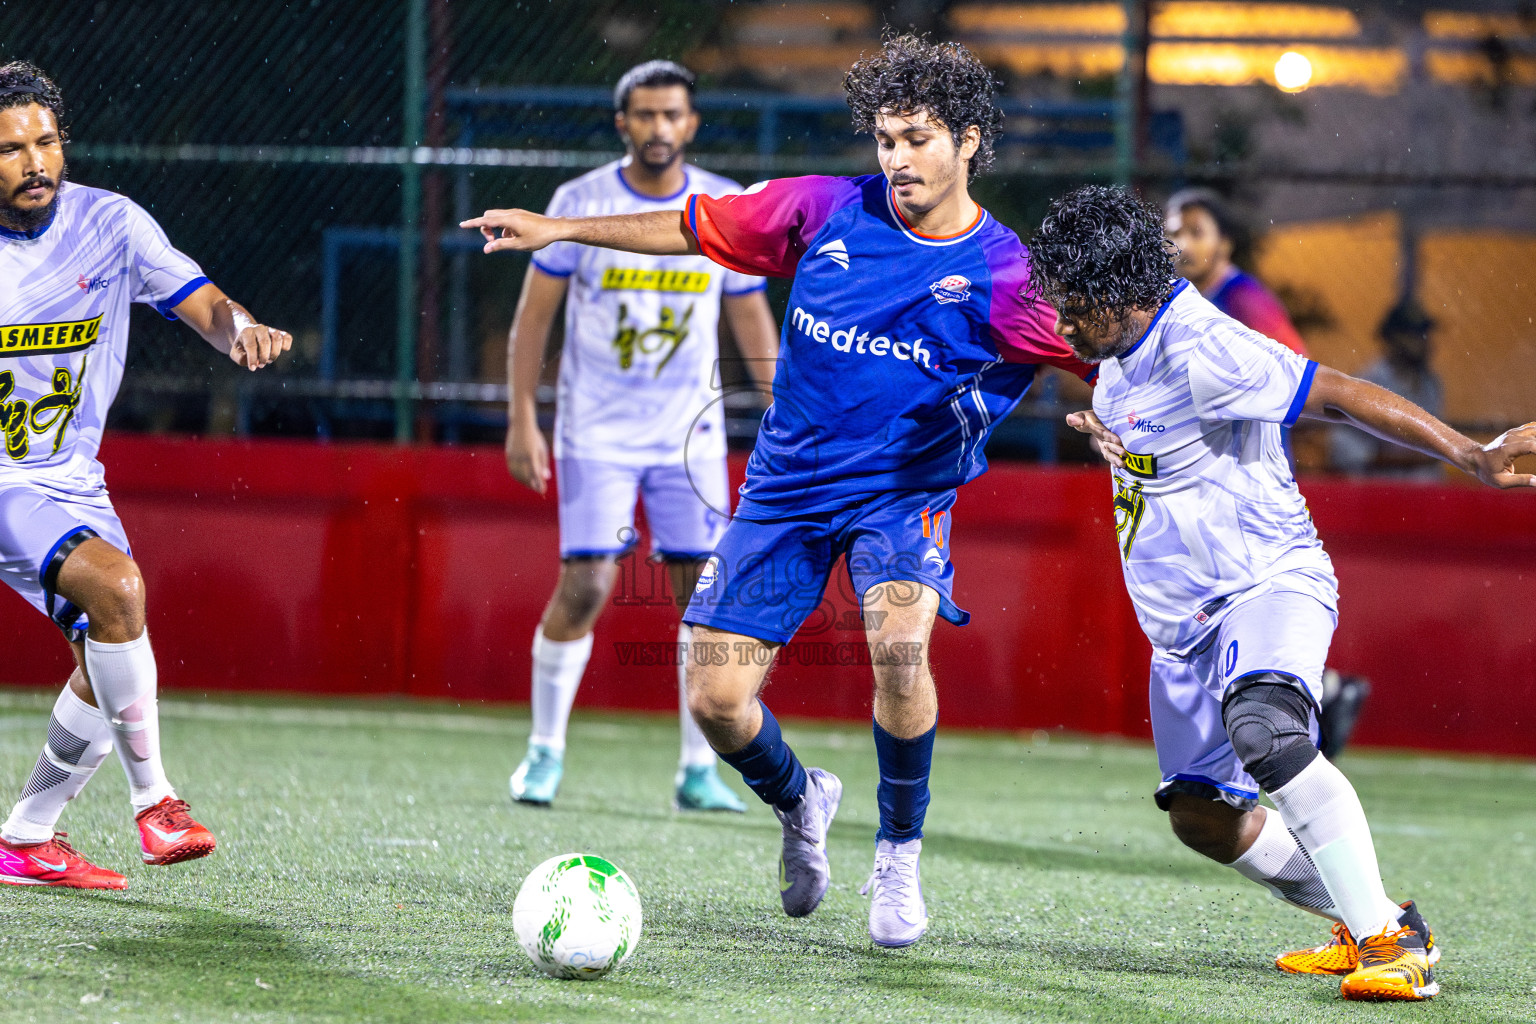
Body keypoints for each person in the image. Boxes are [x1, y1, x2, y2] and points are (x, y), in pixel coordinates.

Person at [465, 35, 1095, 947]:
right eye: (885, 138)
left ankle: (897, 854)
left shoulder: (1008, 275)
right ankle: (802, 799)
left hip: (902, 496)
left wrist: (1123, 418)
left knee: (899, 649)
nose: (897, 158)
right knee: (716, 703)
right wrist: (562, 228)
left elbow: (1102, 355)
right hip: (785, 492)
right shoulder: (822, 211)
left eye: (917, 138)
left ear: (968, 141)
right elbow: (690, 224)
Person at [1033, 184, 1536, 1001]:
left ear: (1124, 294)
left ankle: (1392, 944)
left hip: (1263, 581)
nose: (1062, 325)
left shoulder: (1202, 345)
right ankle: (1360, 918)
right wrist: (1114, 446)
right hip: (1186, 625)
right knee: (1203, 816)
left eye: (1075, 307)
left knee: (1265, 730)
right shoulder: (1117, 364)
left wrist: (1466, 453)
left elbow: (1333, 391)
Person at [0, 63, 292, 889]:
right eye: (12, 149)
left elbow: (201, 301)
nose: (35, 163)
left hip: (71, 479)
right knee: (121, 592)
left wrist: (241, 331)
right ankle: (156, 803)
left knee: (106, 663)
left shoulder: (111, 224)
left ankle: (27, 836)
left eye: (46, 142)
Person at [500, 61, 779, 813]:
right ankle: (544, 753)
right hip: (595, 433)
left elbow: (750, 319)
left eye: (672, 116)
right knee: (588, 583)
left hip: (688, 440)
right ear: (623, 123)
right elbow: (534, 320)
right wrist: (523, 416)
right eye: (645, 116)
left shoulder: (722, 204)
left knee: (705, 596)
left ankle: (699, 768)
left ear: (690, 124)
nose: (660, 129)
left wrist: (787, 411)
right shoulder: (578, 203)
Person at [1166, 187, 1369, 760]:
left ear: (1224, 242)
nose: (1180, 242)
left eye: (1195, 230)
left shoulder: (1244, 300)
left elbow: (1298, 378)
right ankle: (1317, 698)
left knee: (1249, 600)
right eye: (1172, 230)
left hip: (1248, 481)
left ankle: (1305, 714)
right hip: (1208, 479)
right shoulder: (1185, 301)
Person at [1164, 187, 1307, 355]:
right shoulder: (1185, 296)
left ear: (1225, 243)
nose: (1183, 246)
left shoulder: (1244, 298)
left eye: (1197, 233)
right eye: (1174, 234)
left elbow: (1294, 364)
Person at [1329, 298, 1445, 480]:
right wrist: (1401, 460)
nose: (1424, 341)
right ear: (1393, 337)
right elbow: (1345, 450)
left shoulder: (1431, 384)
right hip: (1378, 493)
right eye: (1415, 334)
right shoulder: (1369, 381)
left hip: (1422, 495)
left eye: (1425, 333)